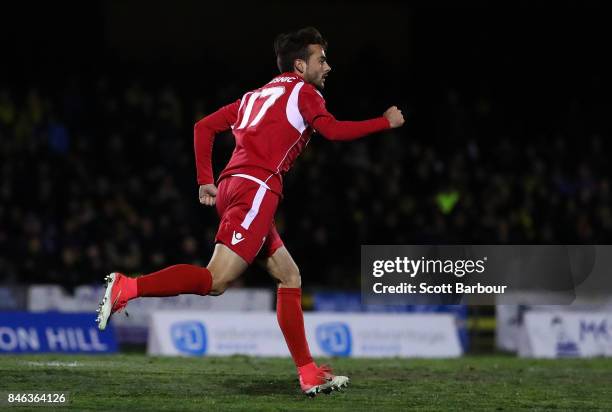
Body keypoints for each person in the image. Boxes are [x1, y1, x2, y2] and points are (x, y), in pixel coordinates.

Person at [96, 27, 404, 396]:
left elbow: (203, 127)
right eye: (321, 60)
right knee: (215, 282)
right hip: (256, 189)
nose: (328, 67)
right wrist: (384, 122)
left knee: (290, 276)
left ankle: (308, 372)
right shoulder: (304, 93)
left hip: (232, 186)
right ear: (300, 64)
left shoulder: (255, 96)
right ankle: (128, 287)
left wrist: (205, 180)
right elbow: (334, 132)